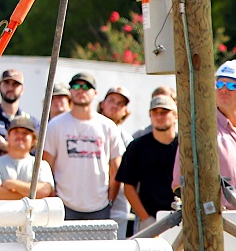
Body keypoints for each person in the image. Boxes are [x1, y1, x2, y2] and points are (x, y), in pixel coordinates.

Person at [43, 72, 124, 220]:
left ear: (95, 93)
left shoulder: (108, 126)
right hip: (63, 205)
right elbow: (47, 167)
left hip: (99, 207)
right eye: (75, 86)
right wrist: (53, 197)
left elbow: (116, 169)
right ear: (70, 91)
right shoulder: (55, 125)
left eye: (86, 86)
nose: (80, 90)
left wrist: (109, 199)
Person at [173, 62, 236, 210]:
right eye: (220, 84)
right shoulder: (200, 129)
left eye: (232, 86)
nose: (224, 90)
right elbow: (180, 182)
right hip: (217, 221)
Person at [117, 95, 178, 231]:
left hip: (181, 217)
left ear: (176, 116)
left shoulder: (185, 147)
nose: (158, 116)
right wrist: (146, 219)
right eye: (154, 112)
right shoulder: (137, 147)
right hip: (148, 219)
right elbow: (128, 186)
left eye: (164, 112)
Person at [0, 116, 53, 200]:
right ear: (8, 137)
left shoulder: (41, 165)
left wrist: (13, 184)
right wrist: (32, 195)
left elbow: (43, 191)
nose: (20, 136)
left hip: (33, 213)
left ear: (33, 140)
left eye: (25, 133)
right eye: (16, 132)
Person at [98, 86, 134, 237]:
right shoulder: (88, 131)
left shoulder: (128, 140)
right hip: (89, 204)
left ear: (125, 110)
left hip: (118, 207)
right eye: (111, 100)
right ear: (102, 104)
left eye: (121, 103)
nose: (115, 105)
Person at [0, 69, 39, 158]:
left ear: (22, 90)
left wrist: (5, 146)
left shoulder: (31, 122)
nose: (10, 88)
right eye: (6, 83)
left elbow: (36, 153)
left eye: (15, 84)